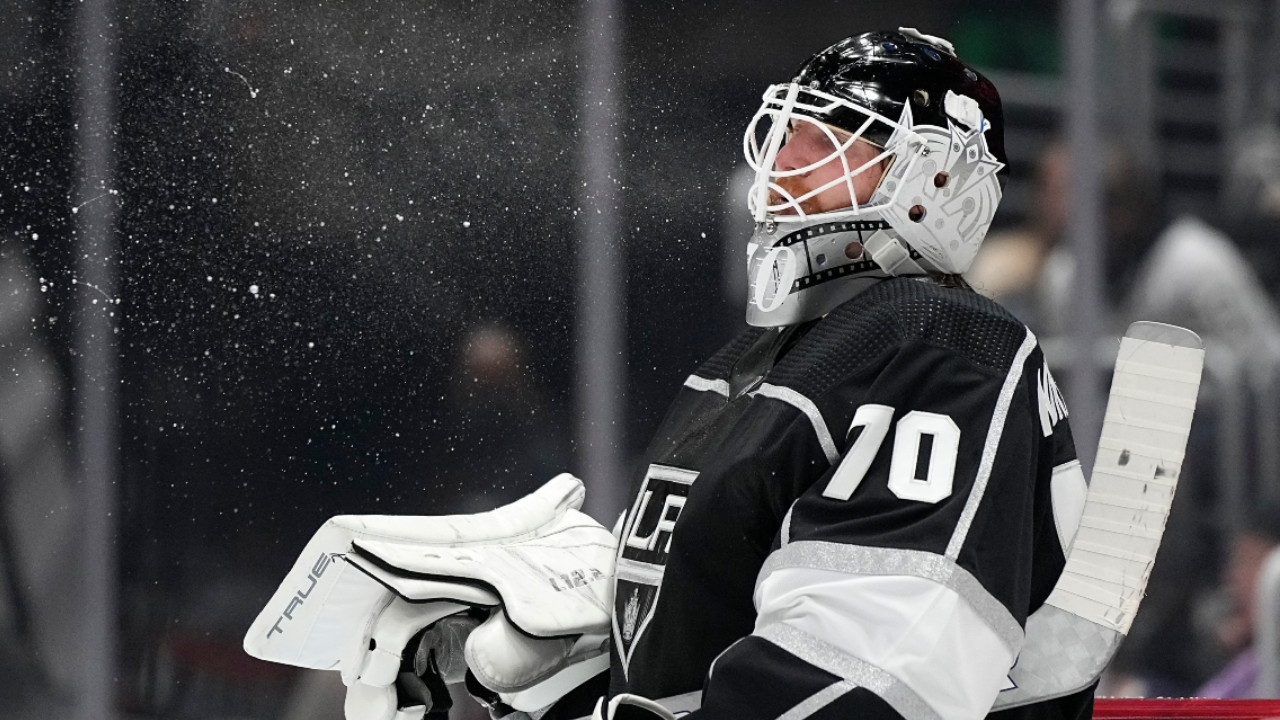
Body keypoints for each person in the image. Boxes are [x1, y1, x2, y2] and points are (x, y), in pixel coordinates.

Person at [248, 29, 1097, 720]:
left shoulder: (939, 343)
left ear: (933, 184)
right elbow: (686, 656)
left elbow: (871, 678)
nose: (786, 164)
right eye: (789, 133)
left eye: (828, 143)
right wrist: (542, 664)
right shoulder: (751, 362)